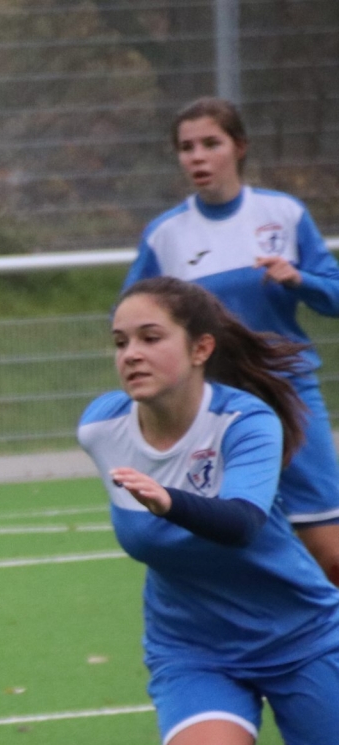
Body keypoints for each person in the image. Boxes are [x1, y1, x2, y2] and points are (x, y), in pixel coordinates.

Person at [79, 276, 339, 745]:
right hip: (194, 646)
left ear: (200, 348)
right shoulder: (102, 428)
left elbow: (242, 523)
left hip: (301, 635)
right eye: (120, 342)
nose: (130, 354)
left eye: (150, 337)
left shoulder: (245, 421)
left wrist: (170, 501)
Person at [125, 97, 339, 584]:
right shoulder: (166, 235)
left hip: (287, 395)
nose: (197, 157)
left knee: (329, 548)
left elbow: (334, 294)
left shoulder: (282, 213)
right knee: (224, 543)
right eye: (186, 148)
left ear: (239, 147)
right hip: (211, 409)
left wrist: (299, 279)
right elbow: (132, 316)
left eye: (210, 143)